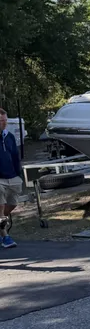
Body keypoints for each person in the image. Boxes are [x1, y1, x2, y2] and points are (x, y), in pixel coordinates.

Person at [0, 107, 23, 249]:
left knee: (12, 203)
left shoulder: (9, 136)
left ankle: (1, 222)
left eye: (5, 120)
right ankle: (5, 237)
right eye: (1, 121)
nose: (4, 123)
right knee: (0, 206)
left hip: (12, 176)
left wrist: (18, 174)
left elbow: (15, 156)